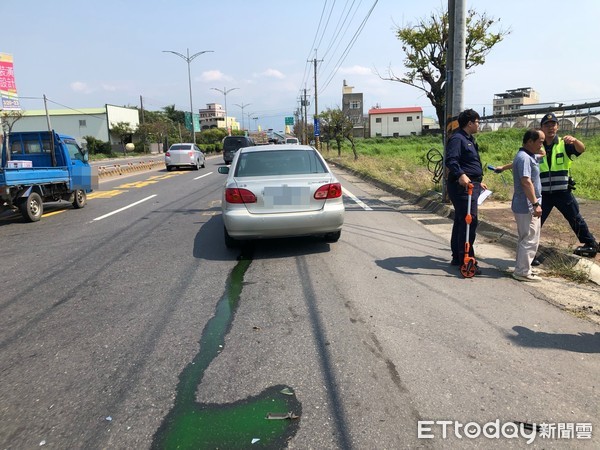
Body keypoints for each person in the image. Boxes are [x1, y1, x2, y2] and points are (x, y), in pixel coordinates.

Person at [495, 112, 598, 263]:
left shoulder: (564, 144)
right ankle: (531, 254)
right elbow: (522, 161)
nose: (550, 128)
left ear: (557, 127)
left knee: (575, 218)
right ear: (541, 128)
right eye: (547, 125)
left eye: (553, 125)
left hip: (562, 191)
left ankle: (590, 244)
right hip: (543, 194)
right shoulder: (537, 146)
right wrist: (503, 167)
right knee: (535, 224)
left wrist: (575, 140)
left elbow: (582, 149)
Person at [445, 109, 487, 274]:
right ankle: (467, 259)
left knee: (462, 220)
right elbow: (451, 160)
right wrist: (461, 174)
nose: (478, 125)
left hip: (472, 184)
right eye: (477, 122)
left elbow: (470, 162)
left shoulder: (469, 139)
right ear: (469, 123)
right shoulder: (457, 139)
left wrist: (478, 181)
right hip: (461, 186)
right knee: (469, 221)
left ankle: (457, 256)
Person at [511, 129, 545, 282]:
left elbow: (542, 153)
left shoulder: (528, 156)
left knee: (525, 237)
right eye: (540, 141)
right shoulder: (524, 158)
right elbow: (526, 182)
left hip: (525, 204)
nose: (542, 145)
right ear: (530, 141)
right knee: (530, 238)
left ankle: (522, 268)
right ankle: (523, 271)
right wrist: (535, 203)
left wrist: (540, 147)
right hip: (527, 205)